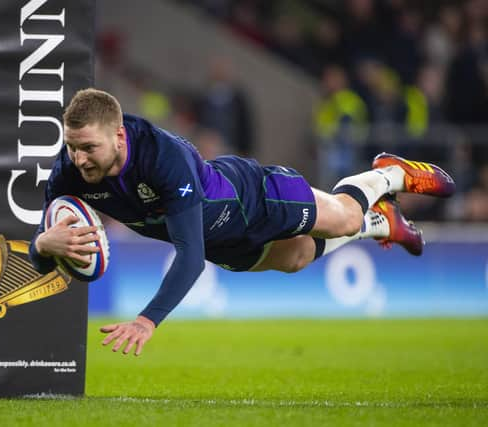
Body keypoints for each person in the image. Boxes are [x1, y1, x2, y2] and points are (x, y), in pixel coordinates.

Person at [29, 88, 455, 357]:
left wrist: (147, 320)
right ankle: (381, 223)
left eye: (88, 147)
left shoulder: (161, 158)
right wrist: (42, 246)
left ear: (119, 136)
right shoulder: (68, 173)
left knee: (342, 219)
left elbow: (189, 257)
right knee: (297, 258)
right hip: (222, 242)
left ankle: (388, 174)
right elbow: (46, 259)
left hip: (252, 197)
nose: (78, 158)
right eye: (71, 147)